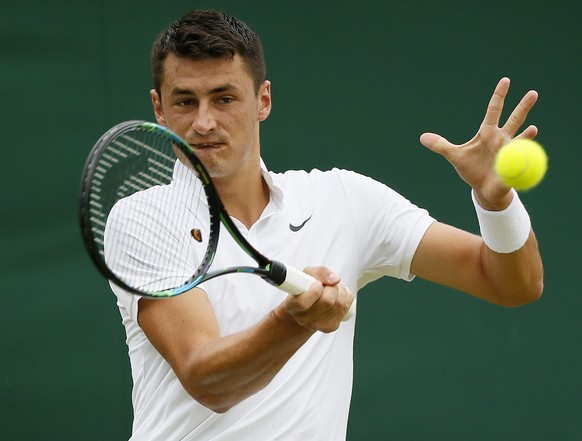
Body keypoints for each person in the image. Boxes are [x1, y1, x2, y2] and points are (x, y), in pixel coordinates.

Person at [109, 9, 544, 440]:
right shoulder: (143, 219)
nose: (204, 121)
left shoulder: (343, 200)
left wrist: (497, 202)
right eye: (185, 101)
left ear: (263, 100)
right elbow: (206, 379)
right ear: (159, 109)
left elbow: (511, 284)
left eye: (224, 98)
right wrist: (296, 321)